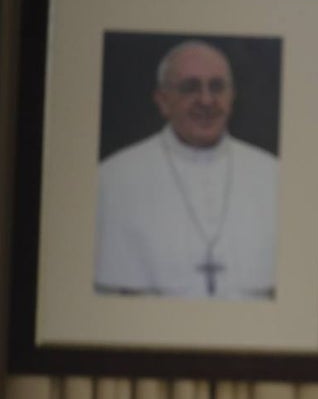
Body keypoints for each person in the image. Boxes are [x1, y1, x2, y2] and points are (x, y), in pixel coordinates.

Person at [94, 39, 278, 300]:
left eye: (217, 87)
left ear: (232, 97)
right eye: (190, 88)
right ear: (163, 101)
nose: (206, 100)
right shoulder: (112, 178)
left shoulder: (274, 175)